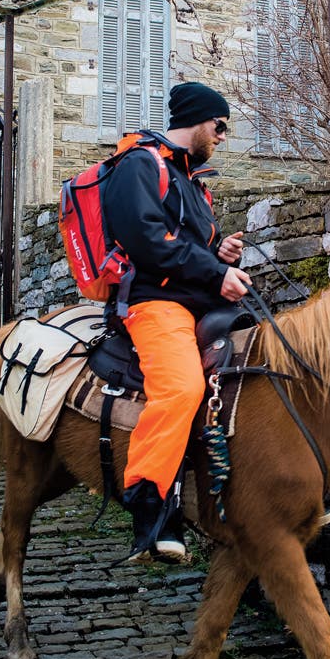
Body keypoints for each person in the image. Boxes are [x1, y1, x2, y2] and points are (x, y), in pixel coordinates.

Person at [103, 81, 252, 562]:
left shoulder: (193, 182)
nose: (224, 136)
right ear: (198, 119)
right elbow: (147, 241)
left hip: (197, 304)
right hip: (152, 304)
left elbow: (190, 251)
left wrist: (219, 253)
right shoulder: (139, 164)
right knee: (183, 389)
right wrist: (215, 269)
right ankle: (150, 507)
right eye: (221, 125)